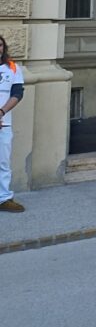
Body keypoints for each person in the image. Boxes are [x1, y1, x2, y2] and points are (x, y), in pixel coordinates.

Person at [0, 34, 26, 212]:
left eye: (0, 45)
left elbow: (17, 94)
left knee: (3, 163)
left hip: (4, 124)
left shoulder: (13, 68)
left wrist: (1, 112)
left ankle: (4, 199)